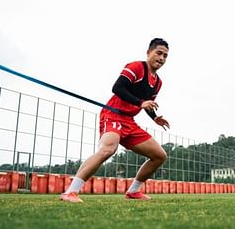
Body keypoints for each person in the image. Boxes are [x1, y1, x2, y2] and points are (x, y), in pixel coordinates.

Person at [60, 38, 171, 202]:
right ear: (149, 53)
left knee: (159, 156)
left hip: (130, 121)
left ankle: (133, 191)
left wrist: (154, 118)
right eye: (159, 53)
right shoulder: (136, 67)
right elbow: (117, 88)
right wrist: (141, 103)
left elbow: (146, 103)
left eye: (165, 56)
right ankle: (70, 192)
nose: (161, 58)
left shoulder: (158, 82)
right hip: (113, 115)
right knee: (107, 150)